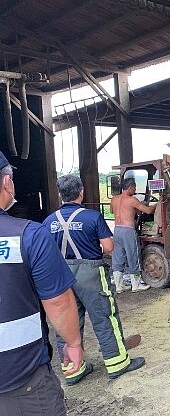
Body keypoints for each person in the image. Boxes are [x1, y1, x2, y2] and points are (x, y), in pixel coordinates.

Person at [0, 151, 84, 415]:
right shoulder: (28, 234)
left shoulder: (48, 223)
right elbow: (58, 302)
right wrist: (73, 343)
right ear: (7, 182)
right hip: (21, 381)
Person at [42, 175, 146, 380]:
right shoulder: (92, 217)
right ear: (81, 192)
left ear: (59, 194)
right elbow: (108, 247)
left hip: (61, 276)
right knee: (105, 317)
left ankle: (73, 370)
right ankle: (117, 364)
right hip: (91, 274)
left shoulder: (48, 221)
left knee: (67, 321)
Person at [110, 177, 155, 293]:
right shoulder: (132, 200)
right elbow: (148, 211)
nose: (135, 190)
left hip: (117, 230)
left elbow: (112, 211)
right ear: (130, 187)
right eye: (134, 188)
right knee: (133, 256)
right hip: (128, 231)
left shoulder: (114, 199)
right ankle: (136, 285)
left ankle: (119, 286)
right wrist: (158, 204)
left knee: (118, 257)